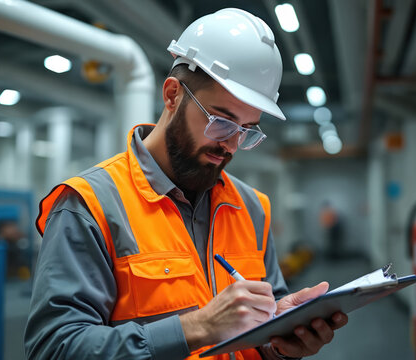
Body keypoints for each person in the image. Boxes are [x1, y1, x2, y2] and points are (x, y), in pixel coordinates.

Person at [24, 8, 348, 360]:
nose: (230, 144)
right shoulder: (91, 206)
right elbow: (54, 349)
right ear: (172, 95)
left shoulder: (252, 207)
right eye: (222, 121)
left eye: (246, 130)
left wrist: (284, 340)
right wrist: (197, 327)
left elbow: (263, 327)